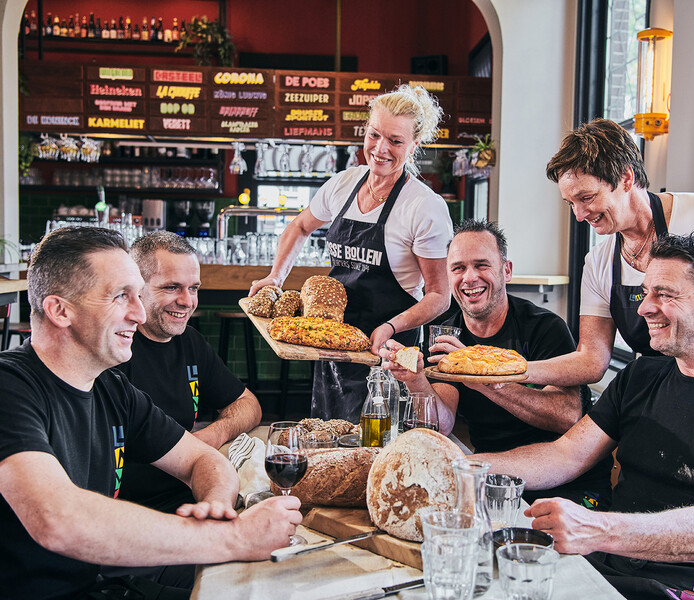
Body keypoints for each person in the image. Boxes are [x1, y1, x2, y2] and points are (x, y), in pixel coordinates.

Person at [476, 232, 694, 600]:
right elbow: (566, 454)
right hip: (617, 567)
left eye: (664, 294)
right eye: (645, 293)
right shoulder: (641, 375)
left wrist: (596, 528)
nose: (644, 308)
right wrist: (465, 465)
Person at [0, 227, 301, 600]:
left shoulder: (111, 389)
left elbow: (203, 461)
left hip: (107, 582)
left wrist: (216, 509)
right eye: (121, 296)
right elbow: (58, 520)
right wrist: (232, 537)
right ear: (60, 310)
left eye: (137, 295)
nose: (139, 313)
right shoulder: (10, 385)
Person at [526, 118, 694, 388]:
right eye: (570, 203)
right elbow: (591, 360)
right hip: (671, 393)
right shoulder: (598, 263)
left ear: (626, 177)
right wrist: (513, 371)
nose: (579, 215)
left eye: (586, 198)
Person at [249, 84, 453, 422]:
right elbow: (299, 226)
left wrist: (390, 326)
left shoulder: (423, 206)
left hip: (389, 352)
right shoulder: (344, 184)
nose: (380, 149)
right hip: (333, 342)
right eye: (374, 135)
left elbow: (439, 295)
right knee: (329, 437)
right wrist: (276, 276)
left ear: (414, 145)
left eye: (396, 141)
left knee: (381, 445)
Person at [380, 219, 612, 509]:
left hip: (565, 483)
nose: (469, 278)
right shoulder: (446, 334)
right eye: (458, 268)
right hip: (493, 476)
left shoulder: (544, 328)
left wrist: (479, 373)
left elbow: (566, 415)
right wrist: (415, 380)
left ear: (507, 270)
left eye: (482, 265)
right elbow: (442, 423)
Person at [117, 231, 262, 516]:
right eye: (172, 287)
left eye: (193, 288)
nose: (187, 301)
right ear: (136, 288)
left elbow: (249, 405)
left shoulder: (189, 341)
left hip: (187, 497)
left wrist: (211, 436)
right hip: (133, 512)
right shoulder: (116, 350)